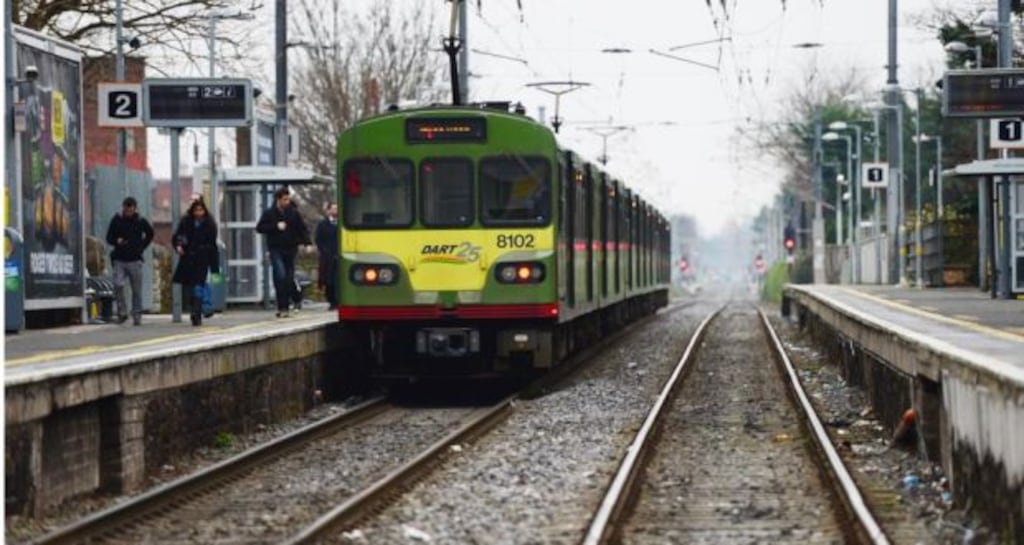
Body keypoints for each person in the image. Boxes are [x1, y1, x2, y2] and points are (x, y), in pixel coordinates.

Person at [256, 187, 311, 318]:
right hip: (275, 249)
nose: (287, 202)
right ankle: (283, 307)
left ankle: (295, 298)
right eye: (285, 199)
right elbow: (259, 228)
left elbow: (302, 228)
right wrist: (275, 226)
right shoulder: (269, 213)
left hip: (290, 248)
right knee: (279, 275)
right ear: (278, 199)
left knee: (288, 277)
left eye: (288, 199)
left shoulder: (293, 213)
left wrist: (307, 243)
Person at [105, 197, 154, 325]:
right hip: (119, 259)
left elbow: (150, 233)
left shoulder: (140, 221)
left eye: (131, 208)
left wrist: (141, 246)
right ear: (123, 207)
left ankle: (137, 315)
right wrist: (117, 241)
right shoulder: (117, 220)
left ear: (135, 208)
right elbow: (109, 237)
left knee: (136, 290)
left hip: (135, 259)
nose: (128, 211)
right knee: (118, 285)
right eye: (126, 208)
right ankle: (122, 312)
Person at [172, 199, 220, 326]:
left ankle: (197, 313)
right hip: (188, 259)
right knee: (190, 288)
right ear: (192, 211)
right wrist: (178, 246)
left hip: (202, 259)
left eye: (201, 210)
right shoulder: (186, 222)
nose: (199, 213)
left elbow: (212, 245)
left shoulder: (210, 224)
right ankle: (195, 309)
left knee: (199, 286)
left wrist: (214, 267)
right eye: (196, 210)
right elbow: (177, 236)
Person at [315, 202, 339, 310]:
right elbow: (318, 239)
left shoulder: (342, 224)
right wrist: (324, 251)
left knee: (337, 279)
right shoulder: (322, 224)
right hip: (328, 257)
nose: (336, 211)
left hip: (339, 255)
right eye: (334, 209)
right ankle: (332, 301)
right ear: (328, 210)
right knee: (328, 280)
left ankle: (338, 301)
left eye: (337, 209)